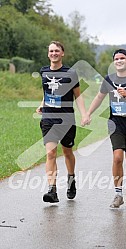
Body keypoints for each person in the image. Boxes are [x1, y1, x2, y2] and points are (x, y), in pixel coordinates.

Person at [85, 49, 126, 208]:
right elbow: (99, 97)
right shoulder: (109, 80)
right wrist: (88, 113)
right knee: (118, 157)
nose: (119, 61)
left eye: (122, 58)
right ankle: (118, 194)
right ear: (114, 62)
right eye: (116, 59)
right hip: (115, 124)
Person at [36, 41, 89, 203]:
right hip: (48, 118)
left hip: (66, 118)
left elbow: (77, 95)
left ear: (62, 53)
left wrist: (84, 114)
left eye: (57, 51)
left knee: (67, 152)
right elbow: (47, 92)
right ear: (48, 54)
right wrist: (41, 104)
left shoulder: (70, 73)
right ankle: (52, 190)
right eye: (51, 51)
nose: (54, 53)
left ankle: (71, 180)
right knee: (51, 153)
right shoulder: (44, 72)